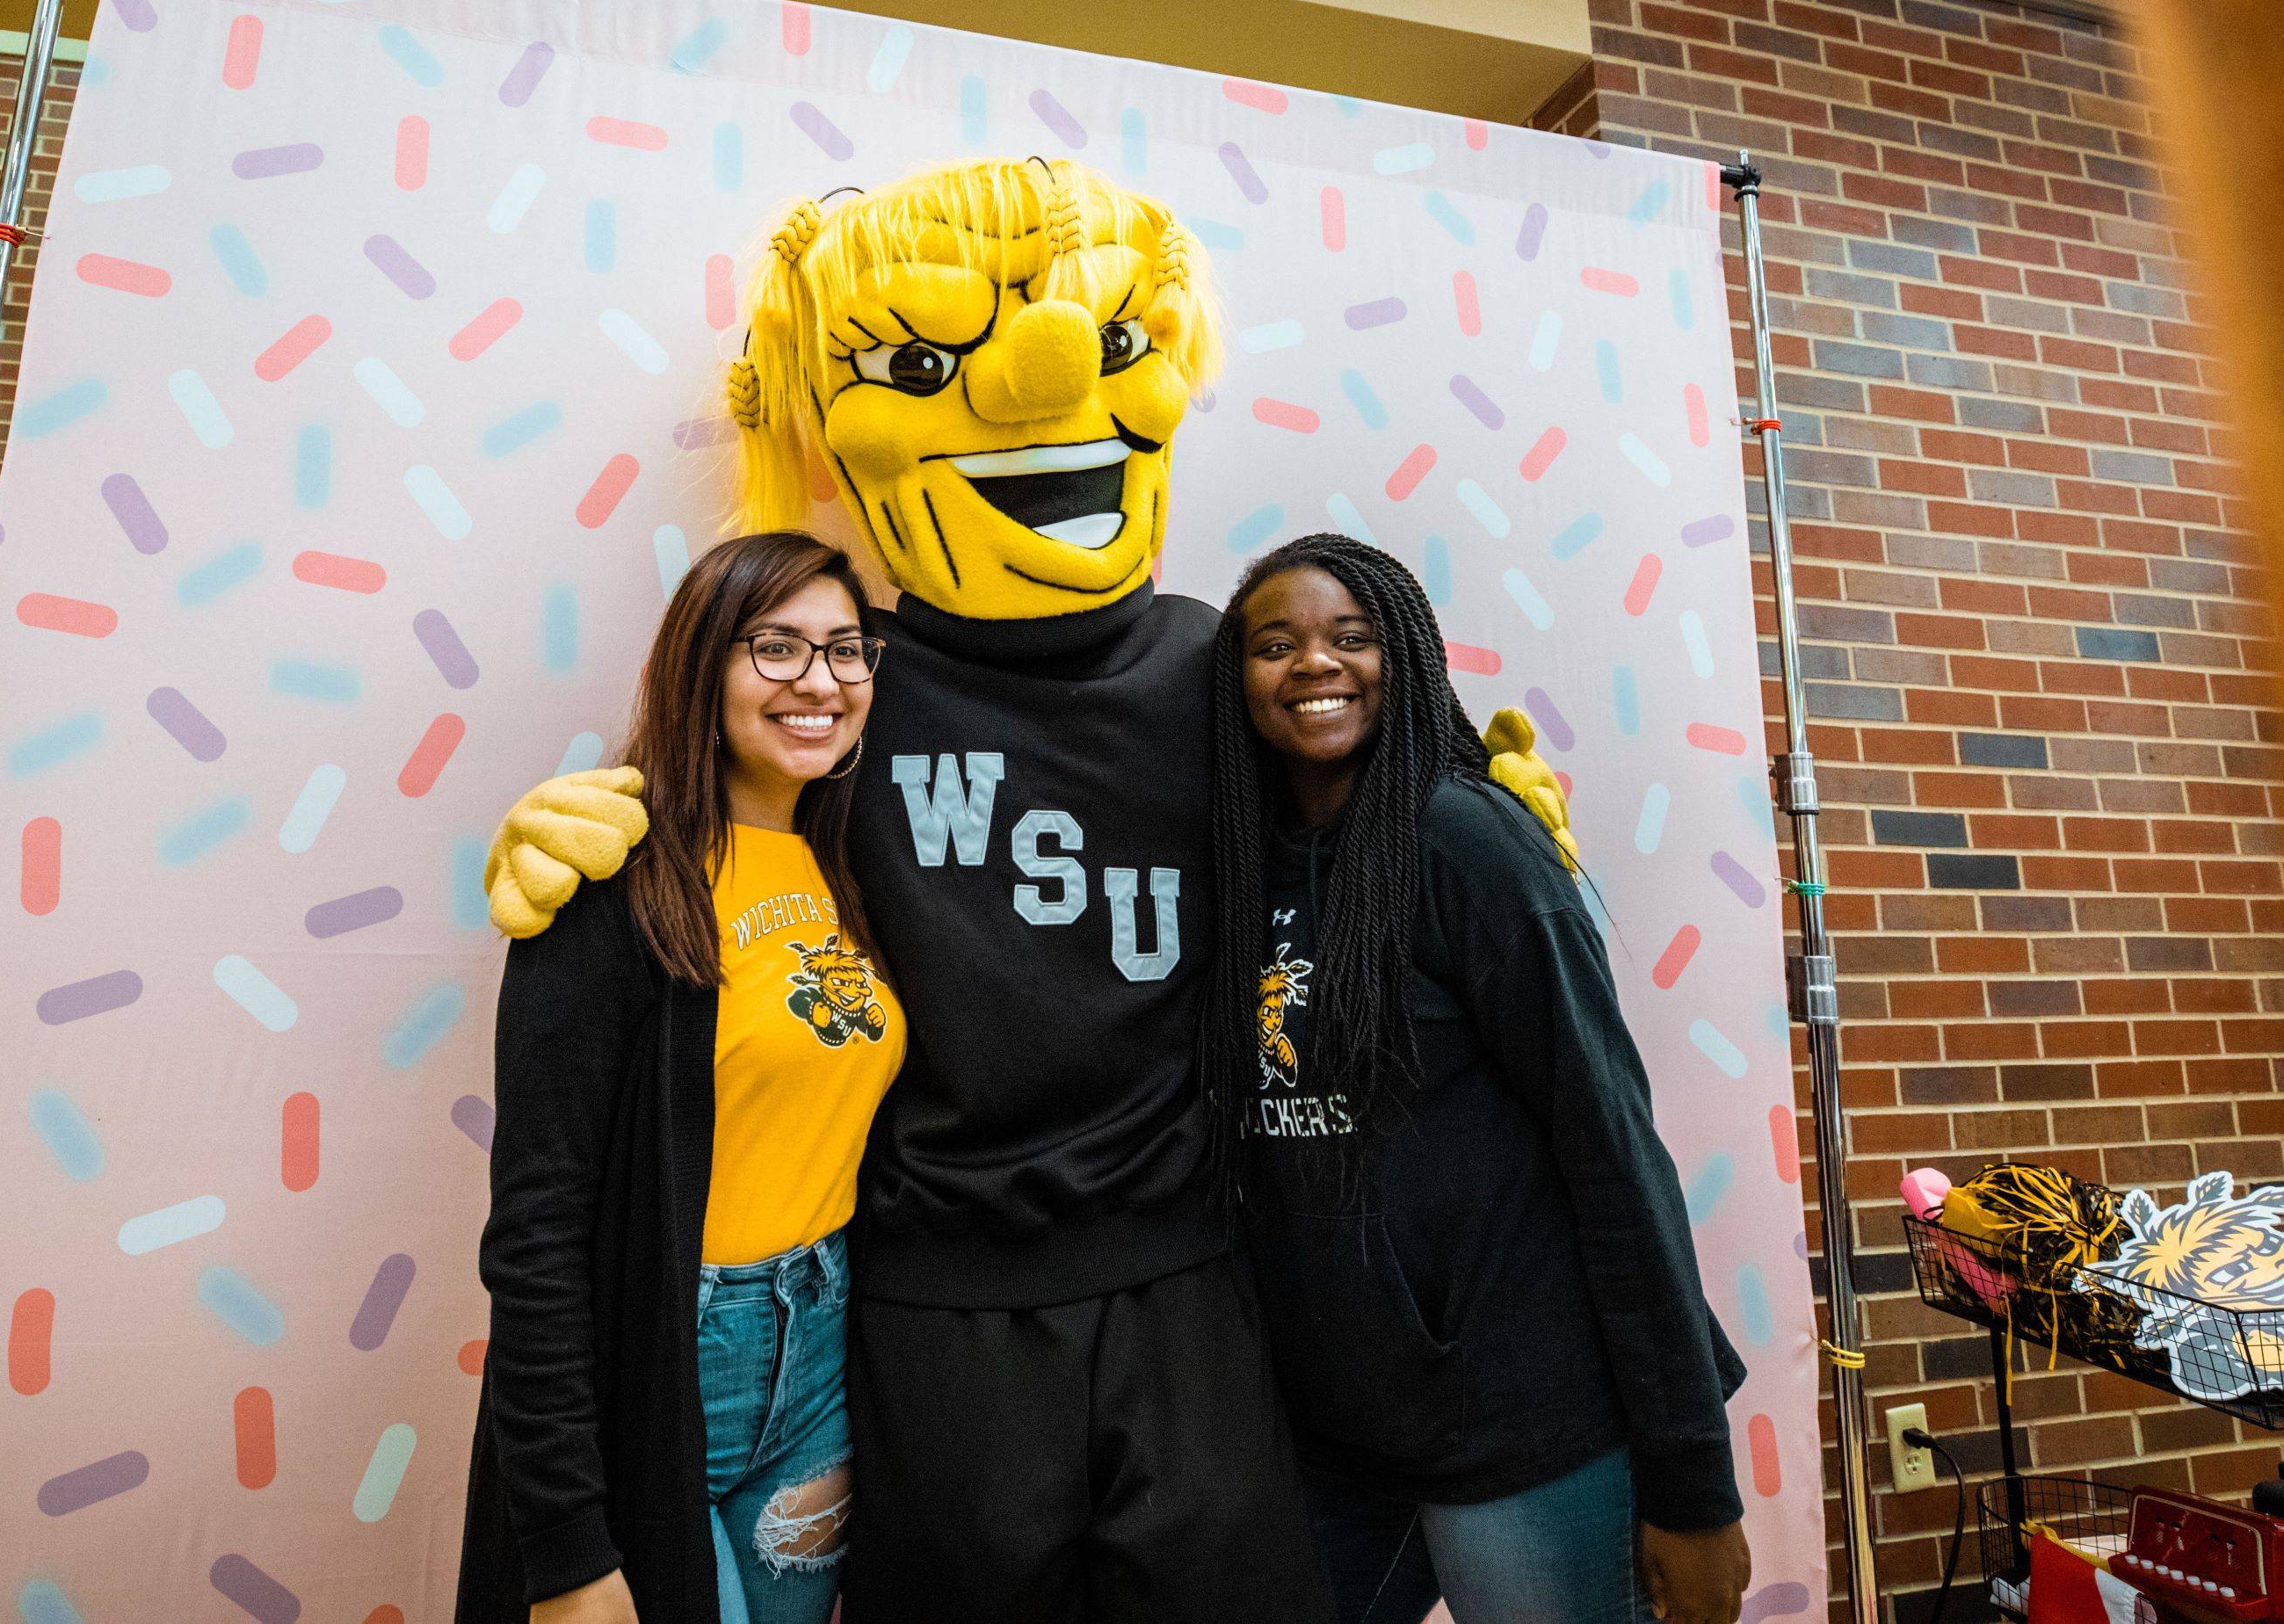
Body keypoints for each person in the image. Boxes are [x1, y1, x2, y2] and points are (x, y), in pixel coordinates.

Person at [479, 160, 1573, 1624]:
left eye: (1110, 343)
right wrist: (590, 832)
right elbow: (732, 800)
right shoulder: (858, 684)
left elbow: (1365, 778)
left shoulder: (1218, 664)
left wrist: (1488, 811)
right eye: (931, 363)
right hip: (925, 1312)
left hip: (1192, 1283)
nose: (1047, 376)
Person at [1208, 533, 1754, 1624]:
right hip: (1337, 1440)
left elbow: (1612, 1149)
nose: (1315, 664)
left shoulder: (1467, 841)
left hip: (1522, 1426)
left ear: (1406, 659)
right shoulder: (1239, 861)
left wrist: (1693, 1484)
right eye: (1276, 644)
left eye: (1351, 637)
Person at [456, 532, 905, 1624]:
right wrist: (560, 1542)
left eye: (847, 651)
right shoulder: (613, 879)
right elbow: (538, 1228)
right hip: (664, 1355)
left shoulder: (856, 864)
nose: (821, 682)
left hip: (820, 1350)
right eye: (778, 648)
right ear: (703, 666)